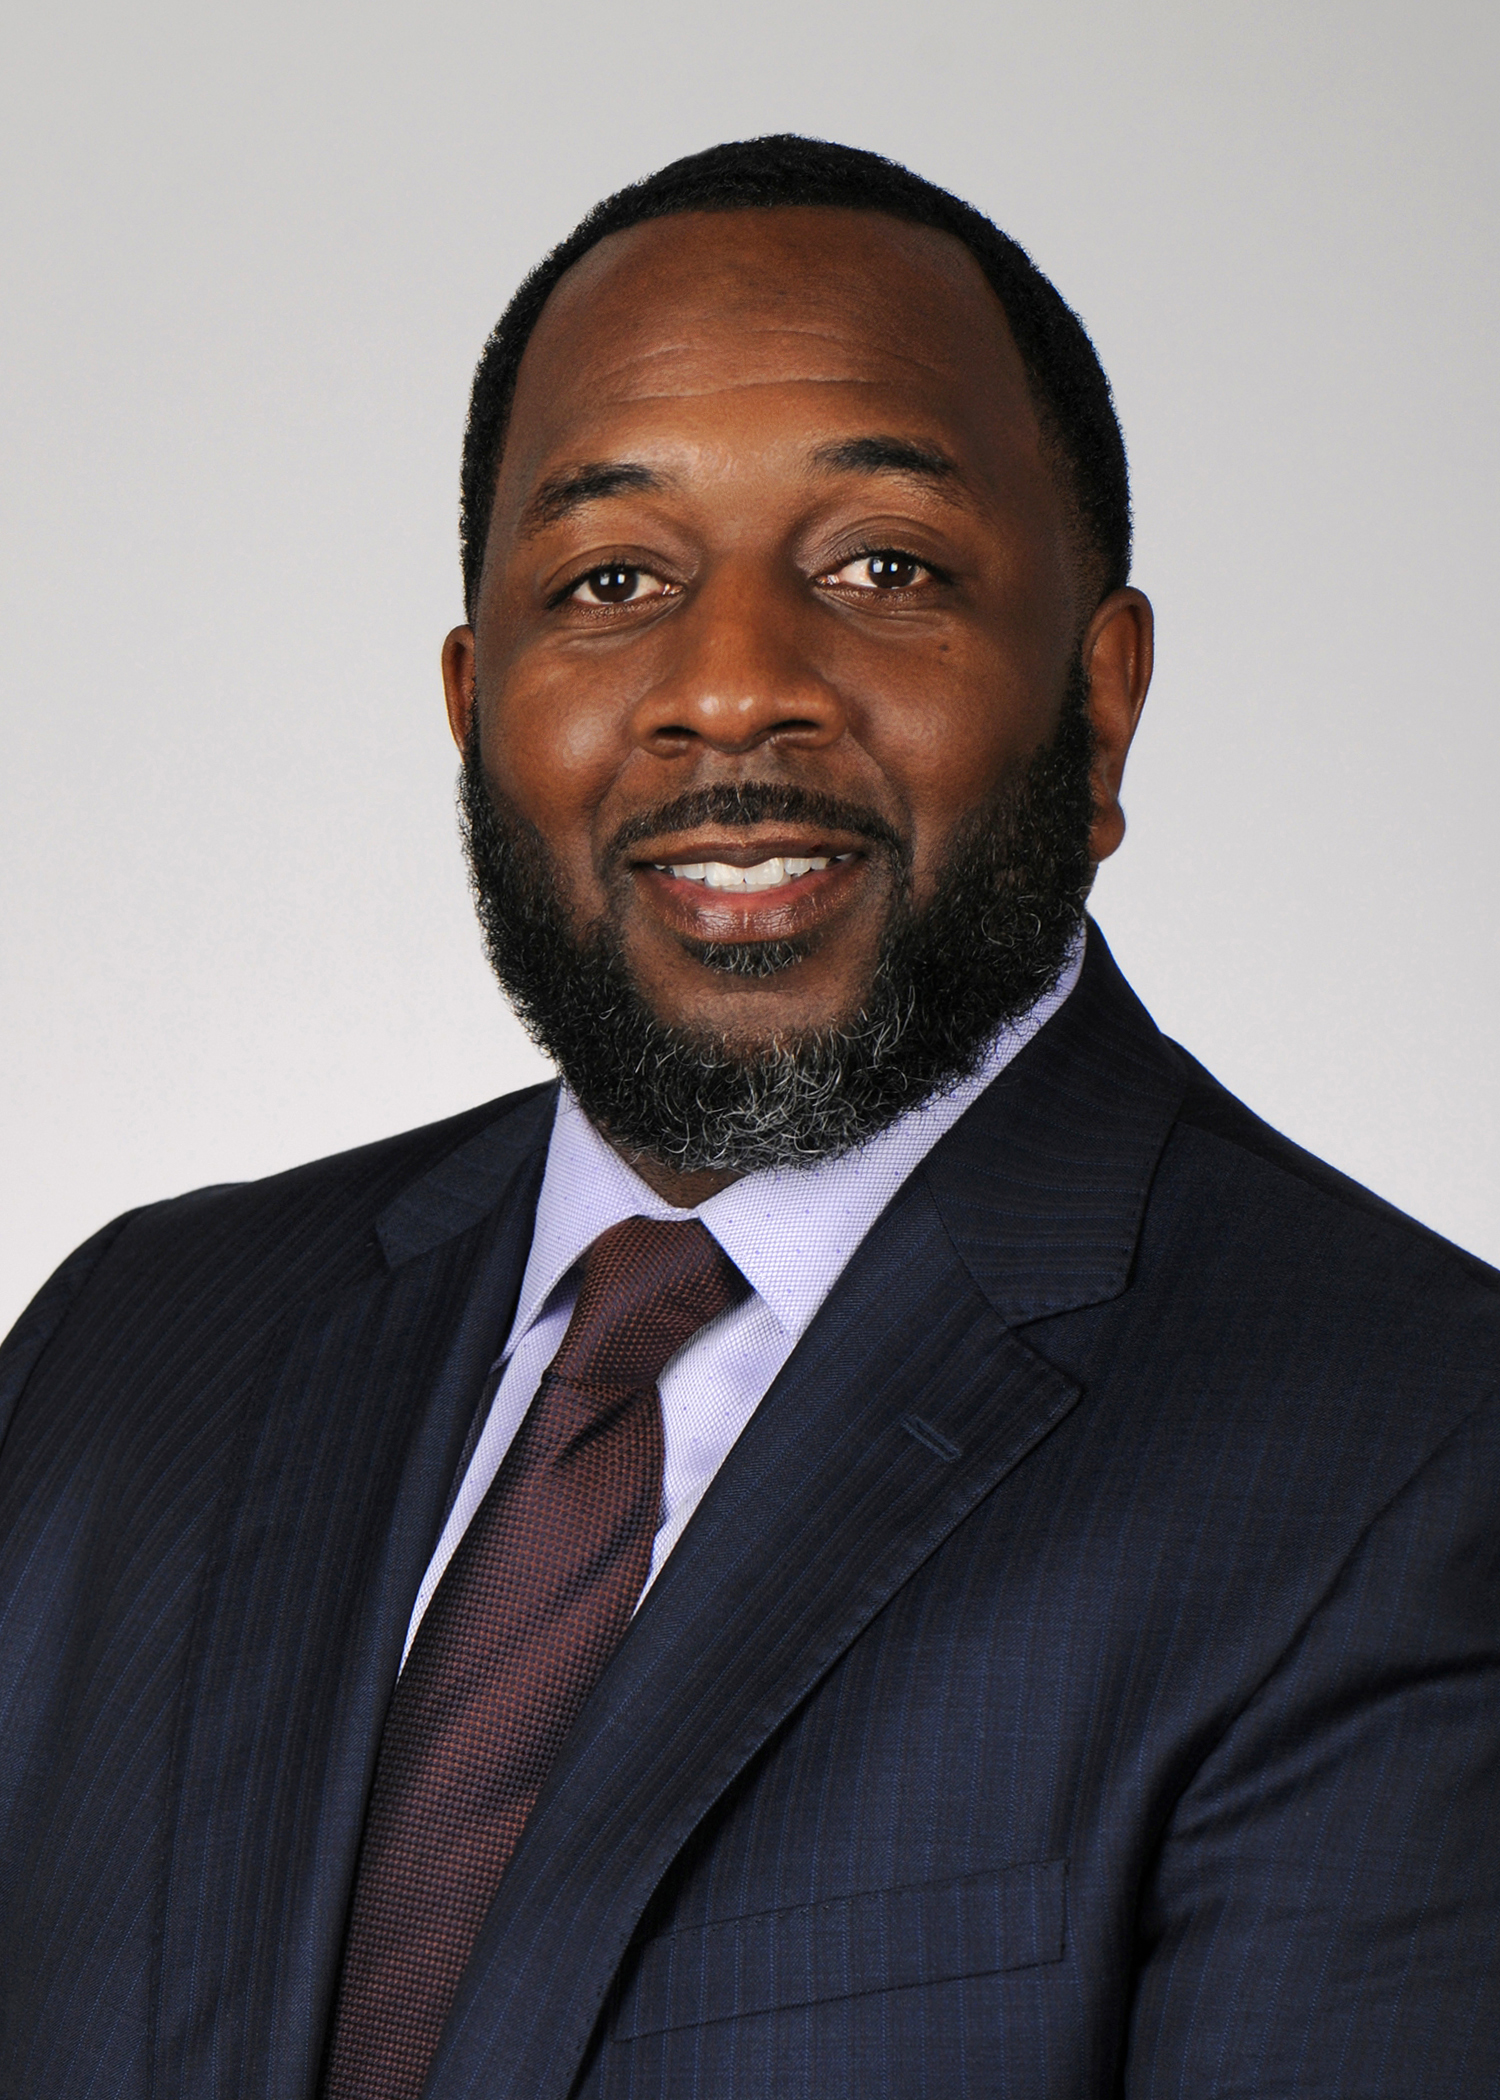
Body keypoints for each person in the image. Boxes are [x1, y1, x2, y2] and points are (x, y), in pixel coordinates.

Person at [1, 135, 1495, 2100]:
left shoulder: (1415, 1457)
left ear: (1101, 700)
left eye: (885, 569)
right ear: (475, 704)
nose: (731, 690)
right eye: (611, 580)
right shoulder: (131, 1355)